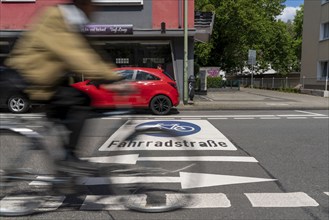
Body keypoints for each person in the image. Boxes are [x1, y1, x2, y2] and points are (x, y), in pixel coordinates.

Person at [4, 0, 131, 168]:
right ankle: (69, 158)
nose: (96, 9)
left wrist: (111, 76)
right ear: (83, 4)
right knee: (81, 100)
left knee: (68, 108)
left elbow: (91, 53)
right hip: (32, 77)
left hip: (48, 80)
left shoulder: (74, 20)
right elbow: (74, 54)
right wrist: (111, 79)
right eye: (94, 5)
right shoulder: (58, 17)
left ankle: (63, 164)